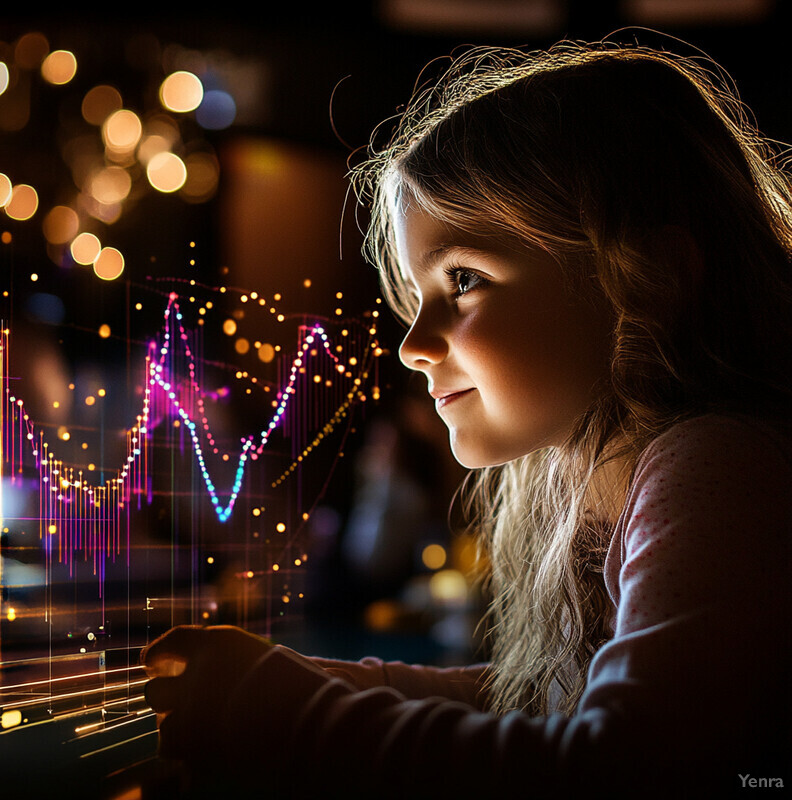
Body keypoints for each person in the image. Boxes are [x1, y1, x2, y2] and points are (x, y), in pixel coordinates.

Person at [142, 38, 792, 799]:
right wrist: (304, 679)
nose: (414, 346)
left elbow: (620, 769)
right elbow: (539, 701)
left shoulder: (717, 464)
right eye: (419, 297)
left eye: (465, 279)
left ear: (647, 280)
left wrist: (287, 714)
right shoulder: (631, 475)